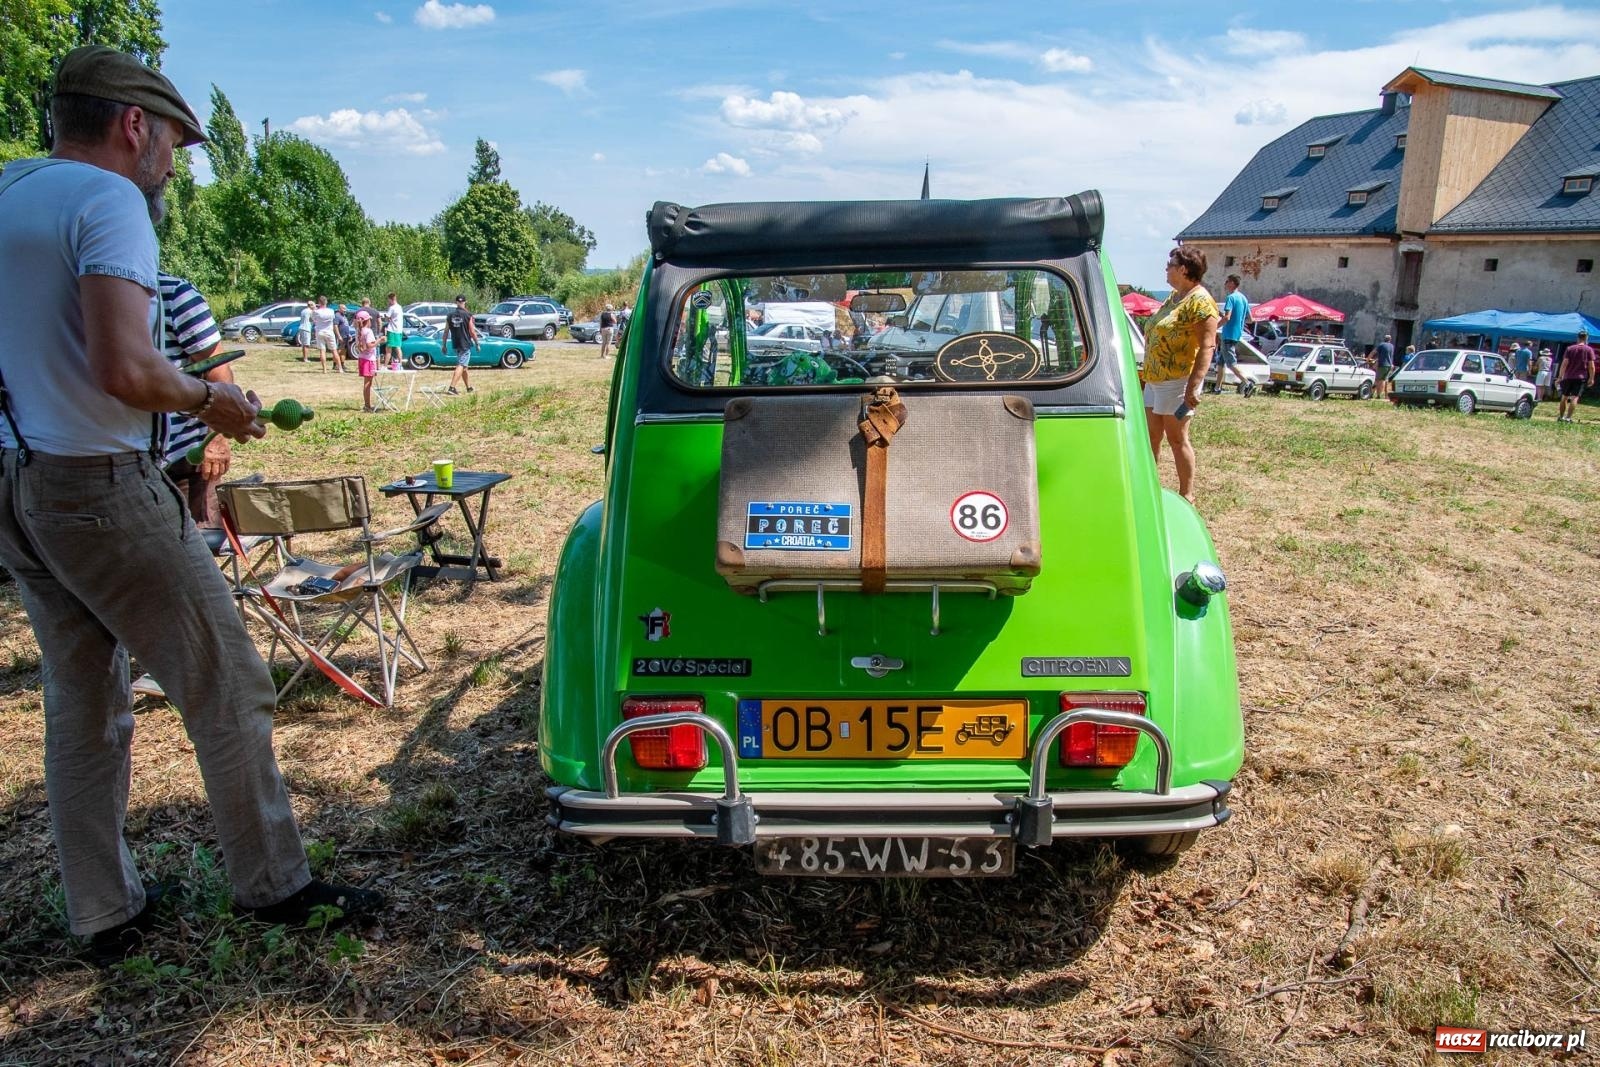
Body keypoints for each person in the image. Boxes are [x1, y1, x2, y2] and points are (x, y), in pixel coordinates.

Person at [0, 46, 381, 966]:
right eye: (174, 140)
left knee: (82, 698)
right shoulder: (109, 202)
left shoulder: (11, 189)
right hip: (96, 479)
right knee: (227, 678)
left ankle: (103, 911)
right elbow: (125, 367)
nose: (173, 163)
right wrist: (214, 402)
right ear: (135, 126)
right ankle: (275, 883)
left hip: (16, 481)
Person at [1142, 247, 1218, 503]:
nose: (1166, 268)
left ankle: (1187, 493)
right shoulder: (1174, 298)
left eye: (1170, 264)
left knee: (1177, 438)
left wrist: (1194, 386)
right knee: (1150, 437)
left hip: (1177, 382)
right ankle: (1150, 488)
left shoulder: (1200, 301)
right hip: (1154, 380)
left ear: (1184, 269)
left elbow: (1207, 345)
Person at [158, 272, 233, 525]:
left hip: (184, 461)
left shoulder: (175, 294)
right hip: (123, 466)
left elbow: (219, 373)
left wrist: (216, 440)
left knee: (195, 549)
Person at [1211, 274, 1253, 395]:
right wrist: (1238, 320)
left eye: (1227, 281)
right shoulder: (1244, 298)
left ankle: (1247, 382)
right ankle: (1217, 388)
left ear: (1232, 283)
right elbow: (1250, 319)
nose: (1225, 283)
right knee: (1221, 362)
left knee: (1230, 363)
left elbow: (1227, 317)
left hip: (1228, 333)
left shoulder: (1231, 298)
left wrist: (1215, 327)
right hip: (1237, 334)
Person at [1556, 330, 1595, 423]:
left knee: (1564, 397)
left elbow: (1564, 363)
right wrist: (1591, 378)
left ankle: (1561, 417)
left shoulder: (1570, 348)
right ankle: (1568, 418)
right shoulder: (1589, 350)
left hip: (1568, 376)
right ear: (1586, 338)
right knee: (1575, 397)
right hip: (1580, 377)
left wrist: (1560, 376)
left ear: (1577, 338)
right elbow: (1591, 366)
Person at [444, 294, 478, 394]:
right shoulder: (468, 315)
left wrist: (444, 344)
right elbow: (472, 331)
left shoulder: (449, 316)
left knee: (464, 367)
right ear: (464, 302)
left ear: (456, 302)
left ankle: (468, 387)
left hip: (456, 343)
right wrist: (477, 342)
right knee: (461, 365)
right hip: (465, 343)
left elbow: (446, 331)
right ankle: (452, 387)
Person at [355, 310, 379, 411]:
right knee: (368, 384)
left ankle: (367, 404)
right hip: (369, 360)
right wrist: (379, 340)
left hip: (362, 358)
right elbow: (370, 346)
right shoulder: (368, 331)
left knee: (367, 383)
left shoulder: (359, 331)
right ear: (367, 320)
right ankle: (367, 405)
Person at [310, 295, 337, 372]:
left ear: (319, 302)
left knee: (322, 350)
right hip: (329, 331)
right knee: (334, 350)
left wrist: (314, 308)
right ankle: (340, 368)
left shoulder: (316, 311)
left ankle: (324, 369)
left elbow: (313, 319)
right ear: (326, 302)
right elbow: (333, 319)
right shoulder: (331, 311)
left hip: (320, 331)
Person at [383, 291, 404, 365]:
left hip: (392, 330)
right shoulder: (399, 307)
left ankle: (385, 365)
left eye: (388, 300)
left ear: (391, 299)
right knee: (398, 347)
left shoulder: (391, 308)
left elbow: (387, 318)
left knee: (388, 348)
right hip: (399, 330)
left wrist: (386, 317)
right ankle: (400, 364)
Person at [1373, 334, 1395, 398]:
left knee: (1377, 380)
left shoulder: (1381, 345)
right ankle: (1385, 395)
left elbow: (1373, 352)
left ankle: (1376, 394)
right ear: (1390, 340)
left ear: (1384, 339)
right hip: (1389, 365)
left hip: (1382, 365)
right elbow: (1390, 356)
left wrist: (1368, 359)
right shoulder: (1392, 346)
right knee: (1384, 380)